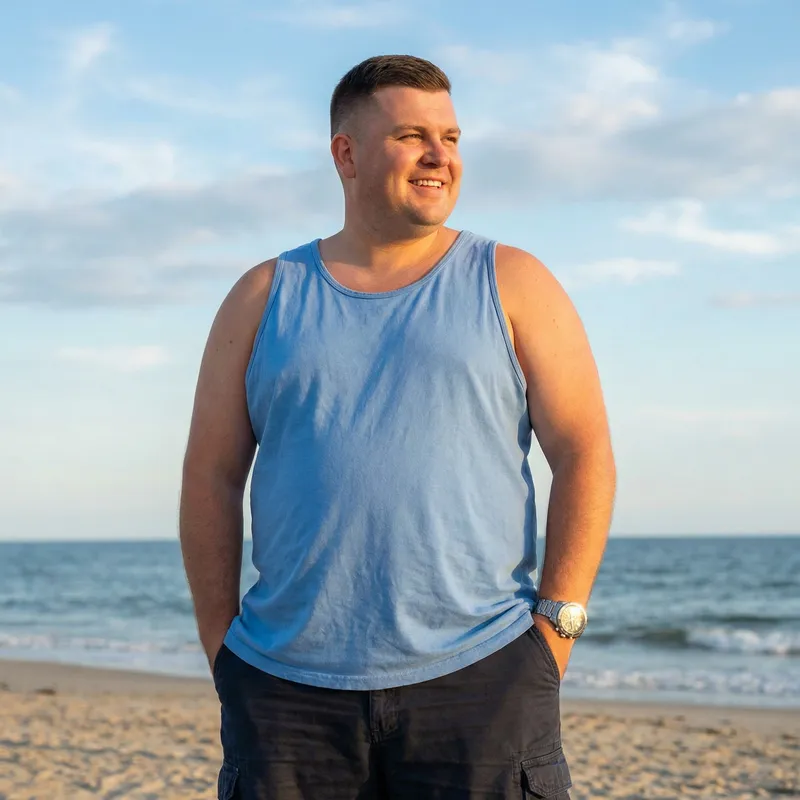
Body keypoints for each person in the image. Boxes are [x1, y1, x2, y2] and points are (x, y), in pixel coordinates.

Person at [179, 54, 616, 800]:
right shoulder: (262, 296)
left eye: (450, 136)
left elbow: (585, 455)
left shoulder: (513, 281)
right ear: (345, 154)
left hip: (483, 681)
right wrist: (225, 652)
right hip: (286, 697)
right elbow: (211, 478)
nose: (440, 156)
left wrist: (555, 633)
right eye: (412, 135)